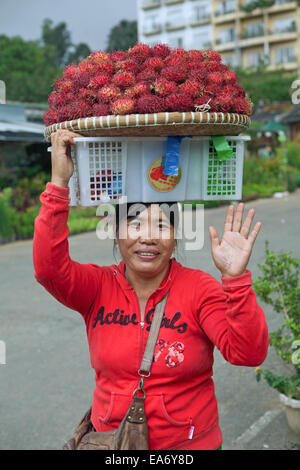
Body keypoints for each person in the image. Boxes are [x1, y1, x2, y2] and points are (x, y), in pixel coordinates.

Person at [32, 129, 269, 451]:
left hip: (189, 445)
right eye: (135, 223)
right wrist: (59, 185)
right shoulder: (96, 287)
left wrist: (236, 279)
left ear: (175, 237)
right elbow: (48, 268)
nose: (148, 237)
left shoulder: (200, 289)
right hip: (113, 442)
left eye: (161, 225)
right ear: (115, 233)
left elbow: (247, 354)